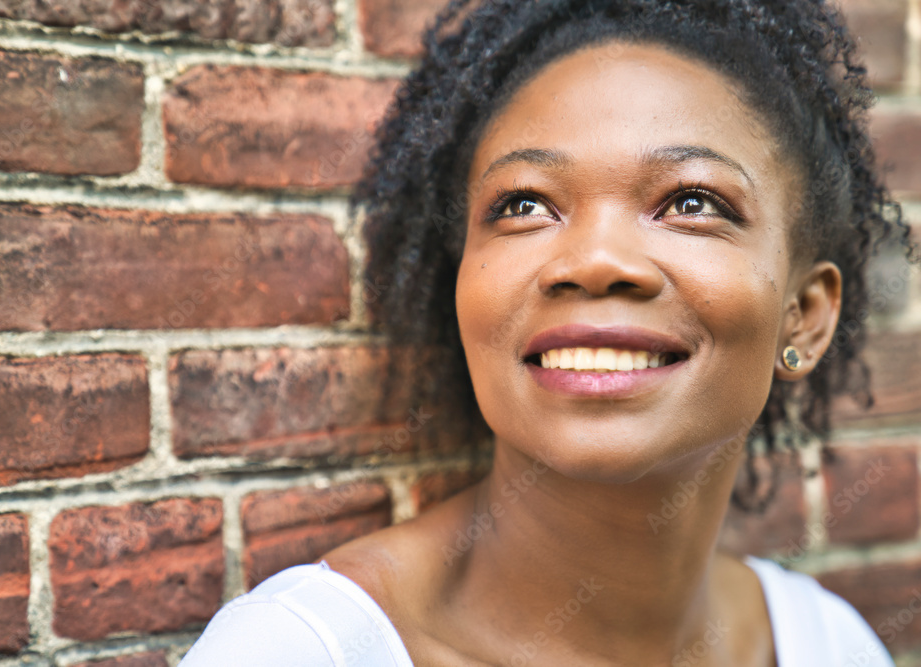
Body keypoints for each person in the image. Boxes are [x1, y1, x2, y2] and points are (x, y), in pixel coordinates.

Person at [180, 0, 919, 664]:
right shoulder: (306, 652)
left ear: (806, 315)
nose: (596, 260)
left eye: (691, 201)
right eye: (525, 204)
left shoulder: (827, 644)